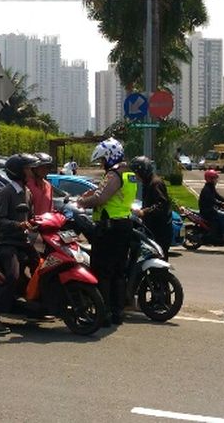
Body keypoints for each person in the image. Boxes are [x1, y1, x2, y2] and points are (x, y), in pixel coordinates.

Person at [78, 138, 136, 325]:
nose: (102, 164)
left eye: (103, 160)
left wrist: (81, 202)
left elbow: (100, 198)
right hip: (124, 226)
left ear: (111, 156)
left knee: (102, 272)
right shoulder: (129, 174)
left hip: (109, 229)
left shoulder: (113, 174)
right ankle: (118, 313)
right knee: (118, 273)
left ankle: (104, 314)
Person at [0, 153, 38, 335]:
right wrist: (18, 224)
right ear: (18, 172)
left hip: (23, 242)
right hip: (7, 244)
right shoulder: (7, 192)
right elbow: (0, 221)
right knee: (13, 276)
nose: (31, 172)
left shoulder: (27, 192)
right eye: (27, 169)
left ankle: (33, 305)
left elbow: (31, 218)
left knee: (40, 264)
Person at [130, 156, 172, 259]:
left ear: (143, 171)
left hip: (160, 231)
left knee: (159, 261)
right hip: (152, 228)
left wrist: (144, 212)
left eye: (137, 173)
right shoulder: (148, 183)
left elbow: (161, 205)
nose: (136, 176)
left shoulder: (155, 183)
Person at [199, 169, 224, 237]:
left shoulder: (211, 187)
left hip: (211, 209)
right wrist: (222, 204)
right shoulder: (207, 189)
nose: (216, 180)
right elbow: (212, 200)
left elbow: (217, 196)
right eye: (215, 178)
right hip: (207, 211)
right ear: (210, 179)